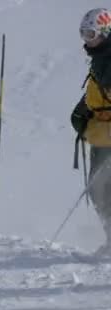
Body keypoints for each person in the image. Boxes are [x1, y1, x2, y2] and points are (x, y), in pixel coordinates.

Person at [71, 8, 111, 256]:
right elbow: (98, 95)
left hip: (107, 136)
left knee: (104, 188)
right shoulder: (100, 59)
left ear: (105, 31)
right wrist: (83, 110)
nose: (87, 39)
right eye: (83, 34)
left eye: (91, 33)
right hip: (102, 138)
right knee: (99, 190)